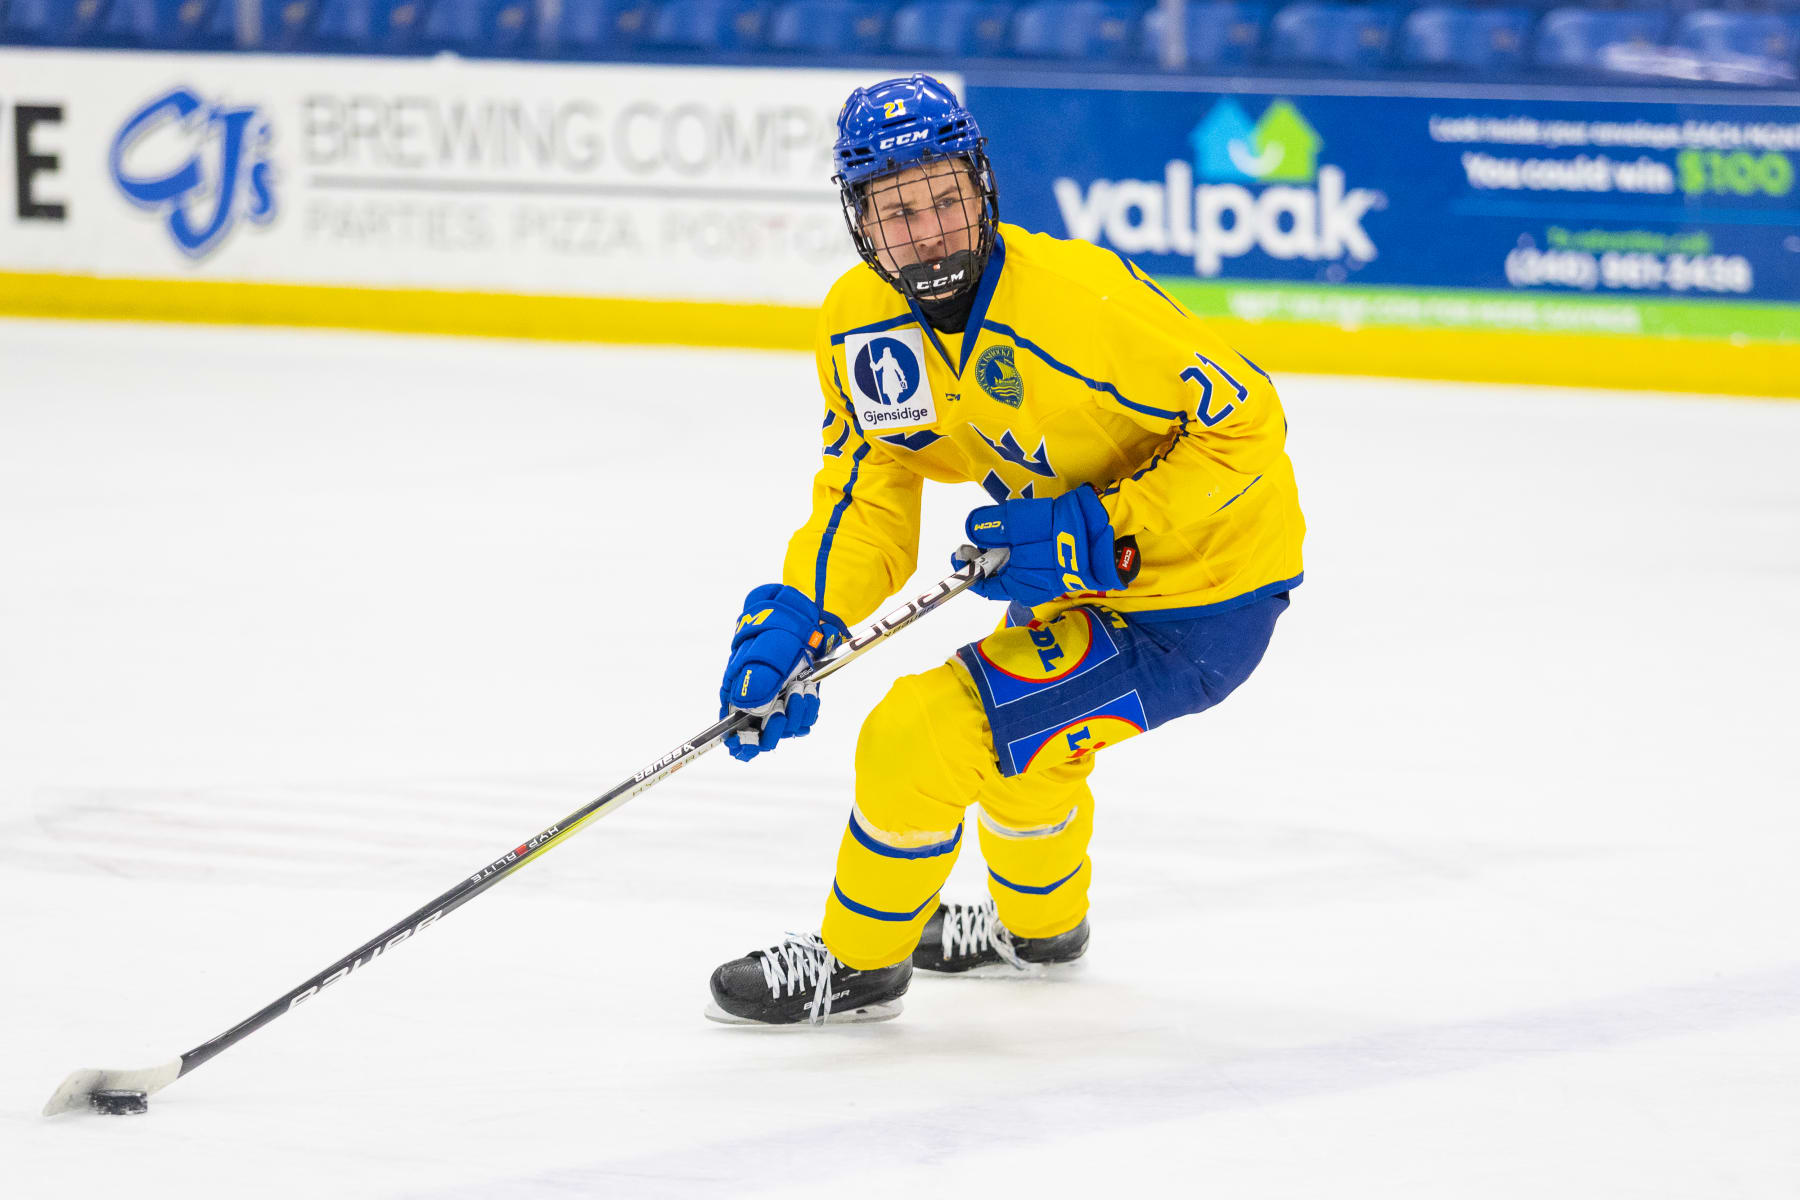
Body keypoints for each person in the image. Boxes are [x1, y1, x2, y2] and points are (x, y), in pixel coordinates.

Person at [705, 75, 1306, 1026]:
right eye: (898, 211)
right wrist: (803, 616)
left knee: (922, 734)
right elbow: (865, 497)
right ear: (860, 221)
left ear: (982, 187)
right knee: (1029, 754)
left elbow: (1250, 427)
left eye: (946, 197)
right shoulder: (862, 328)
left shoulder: (1081, 303)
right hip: (1072, 579)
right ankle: (1040, 931)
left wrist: (1097, 531)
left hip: (1205, 594)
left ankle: (859, 965)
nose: (931, 229)